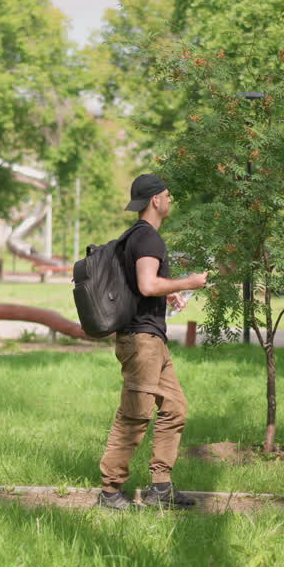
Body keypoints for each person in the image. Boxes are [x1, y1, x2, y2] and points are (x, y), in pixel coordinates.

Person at [96, 173, 208, 510]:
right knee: (135, 415)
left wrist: (170, 292)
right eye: (168, 195)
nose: (171, 200)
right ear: (155, 200)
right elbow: (146, 285)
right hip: (141, 341)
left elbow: (140, 286)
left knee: (174, 408)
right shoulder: (148, 239)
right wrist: (187, 281)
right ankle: (109, 491)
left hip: (150, 339)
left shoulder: (137, 236)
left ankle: (161, 488)